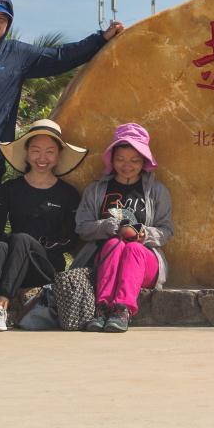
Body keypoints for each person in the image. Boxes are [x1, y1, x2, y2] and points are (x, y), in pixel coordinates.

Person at [0, 0, 122, 323]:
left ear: (8, 25)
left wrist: (100, 38)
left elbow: (62, 55)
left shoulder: (17, 55)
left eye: (3, 19)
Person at [0, 119, 89, 333]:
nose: (42, 158)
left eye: (49, 152)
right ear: (27, 153)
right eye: (36, 151)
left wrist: (38, 244)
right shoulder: (9, 189)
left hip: (45, 266)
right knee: (1, 245)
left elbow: (71, 238)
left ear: (58, 156)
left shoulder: (68, 194)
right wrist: (13, 244)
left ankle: (1, 305)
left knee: (20, 238)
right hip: (12, 261)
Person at [73, 123, 173, 333]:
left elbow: (166, 230)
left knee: (133, 248)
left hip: (144, 262)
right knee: (114, 243)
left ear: (144, 161)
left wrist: (145, 234)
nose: (127, 165)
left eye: (134, 160)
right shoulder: (96, 190)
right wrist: (109, 227)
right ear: (112, 159)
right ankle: (101, 308)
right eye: (121, 159)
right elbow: (82, 227)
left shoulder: (157, 191)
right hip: (104, 260)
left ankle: (121, 309)